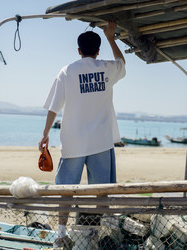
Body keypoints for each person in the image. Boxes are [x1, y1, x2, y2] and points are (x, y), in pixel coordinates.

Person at [39, 21, 126, 248]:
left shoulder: (67, 71)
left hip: (73, 143)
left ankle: (60, 233)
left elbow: (53, 107)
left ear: (78, 51)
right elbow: (122, 63)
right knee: (100, 191)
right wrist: (111, 37)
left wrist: (45, 134)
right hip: (101, 141)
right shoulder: (107, 67)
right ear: (98, 51)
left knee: (66, 189)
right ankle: (95, 234)